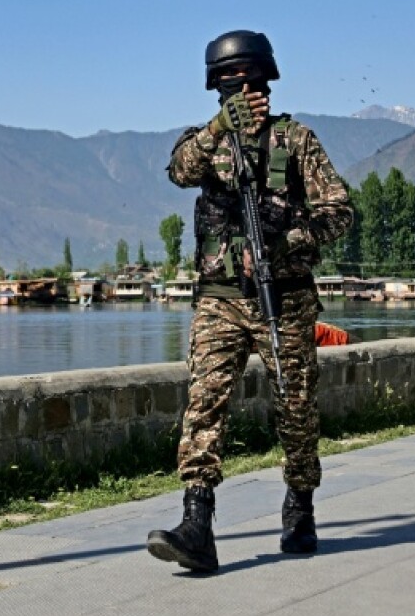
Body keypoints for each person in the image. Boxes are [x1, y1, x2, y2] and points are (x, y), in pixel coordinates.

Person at [147, 29, 354, 573]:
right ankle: (197, 521)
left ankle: (300, 501)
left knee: (295, 407)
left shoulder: (297, 141)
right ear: (217, 89)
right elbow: (179, 171)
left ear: (266, 81)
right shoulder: (205, 139)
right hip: (218, 299)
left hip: (283, 297)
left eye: (251, 83)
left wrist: (289, 239)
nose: (243, 93)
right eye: (231, 86)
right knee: (205, 402)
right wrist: (221, 128)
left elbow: (340, 211)